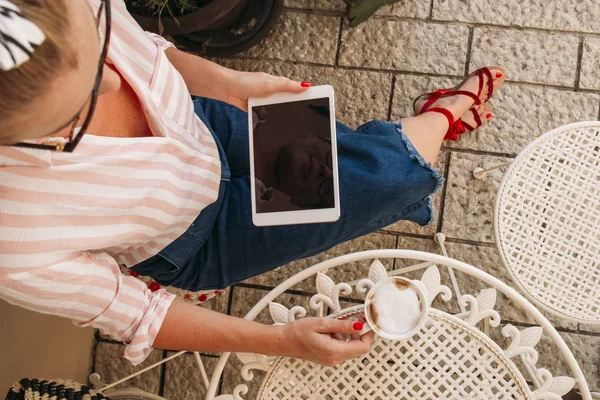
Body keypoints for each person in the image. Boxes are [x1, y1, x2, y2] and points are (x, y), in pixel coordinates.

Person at [0, 0, 505, 367]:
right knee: (392, 176)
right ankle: (440, 113)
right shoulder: (12, 236)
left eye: (100, 51)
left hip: (205, 123)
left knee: (351, 164)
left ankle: (422, 124)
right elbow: (142, 315)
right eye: (76, 113)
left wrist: (227, 84)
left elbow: (154, 53)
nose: (112, 81)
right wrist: (283, 340)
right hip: (198, 238)